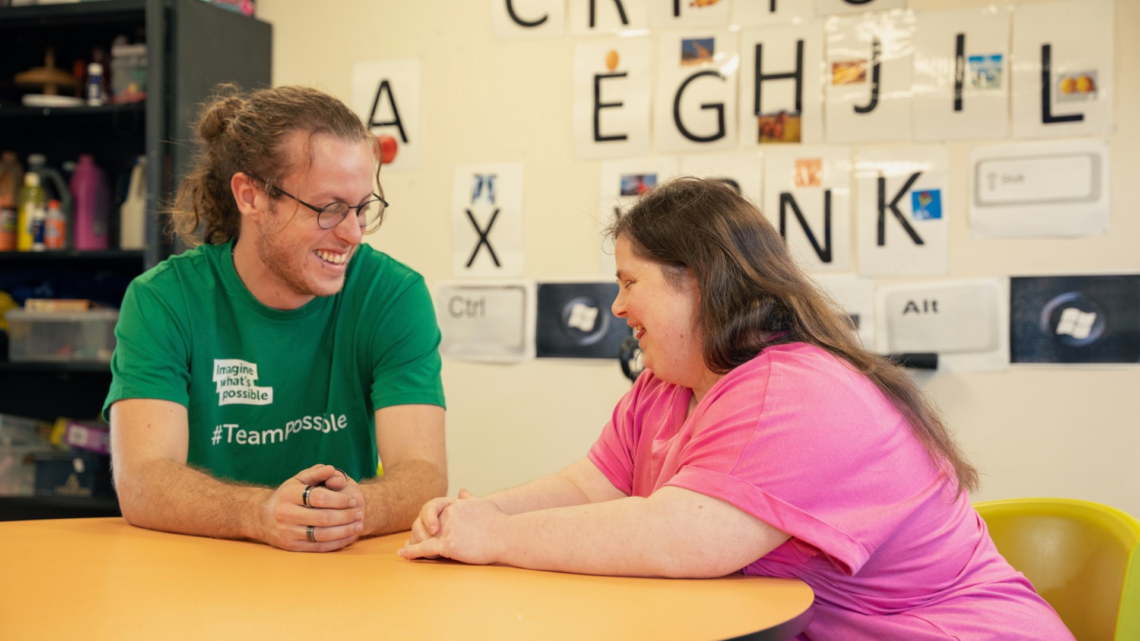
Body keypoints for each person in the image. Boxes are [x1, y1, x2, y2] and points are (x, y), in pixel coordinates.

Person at [400, 178, 1074, 640]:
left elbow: (676, 537)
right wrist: (478, 515)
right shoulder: (666, 384)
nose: (619, 307)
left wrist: (492, 539)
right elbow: (588, 486)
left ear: (696, 281)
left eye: (630, 282)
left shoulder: (793, 389)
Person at [105, 85, 447, 552]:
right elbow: (142, 482)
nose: (352, 234)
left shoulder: (392, 295)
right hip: (198, 572)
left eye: (362, 208)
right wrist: (260, 514)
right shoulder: (163, 300)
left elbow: (424, 475)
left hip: (340, 573)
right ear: (251, 197)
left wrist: (354, 509)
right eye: (329, 209)